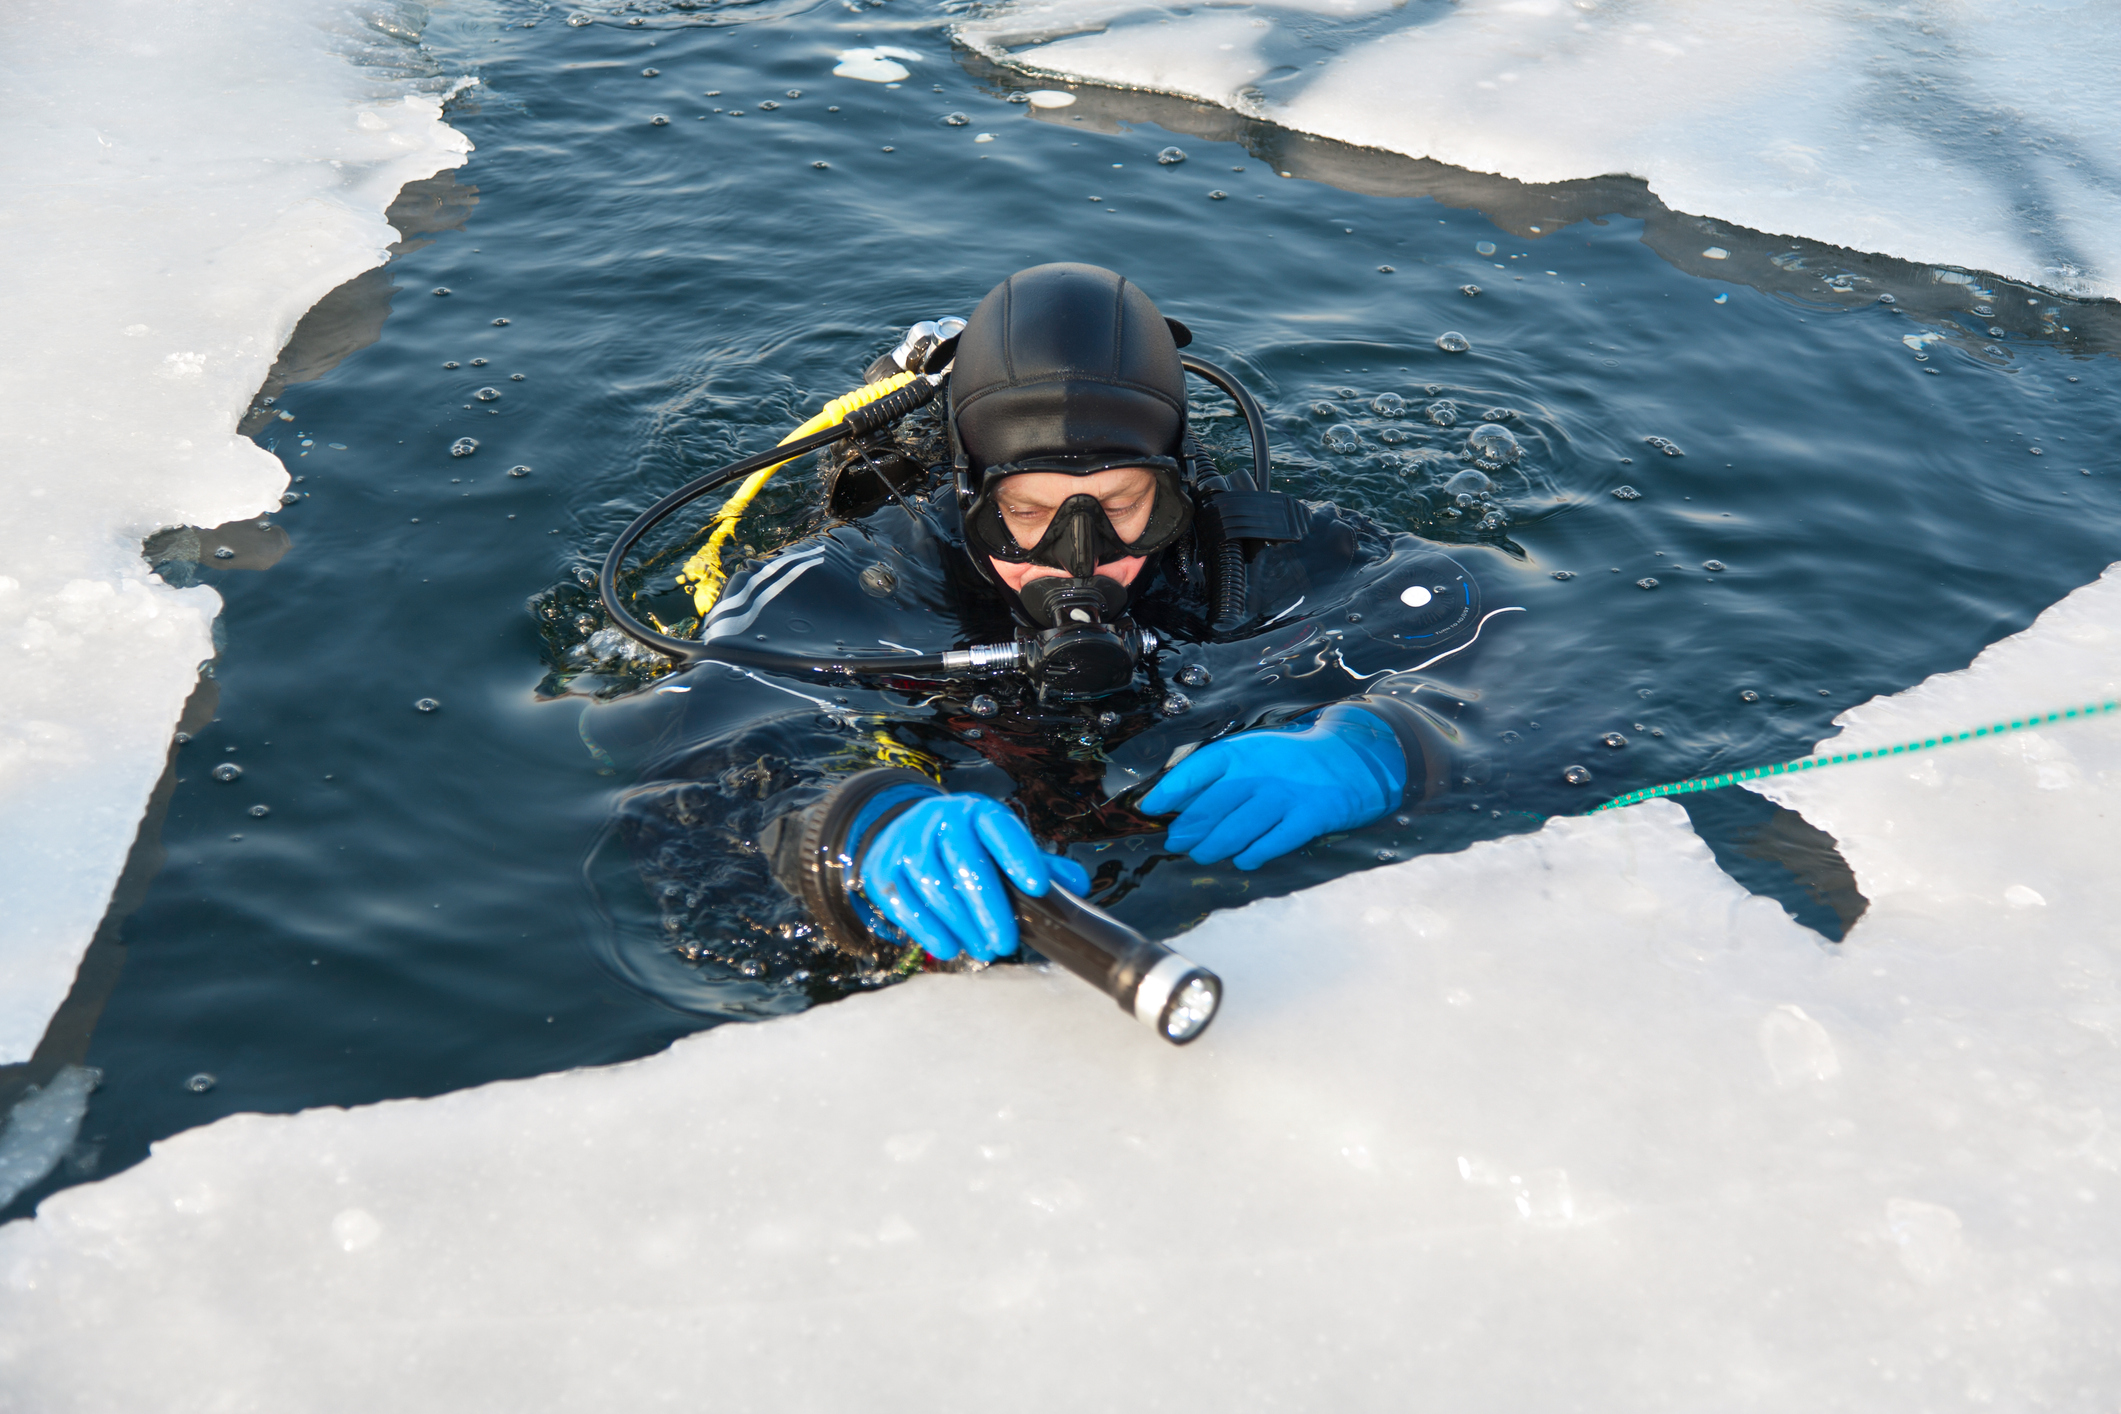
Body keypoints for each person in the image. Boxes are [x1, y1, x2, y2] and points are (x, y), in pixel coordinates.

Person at [613, 263, 1515, 980]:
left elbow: (1518, 640)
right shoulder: (858, 581)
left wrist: (1390, 742)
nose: (1077, 556)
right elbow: (693, 758)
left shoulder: (1245, 554)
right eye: (1030, 512)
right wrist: (845, 826)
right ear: (966, 499)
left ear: (1179, 482)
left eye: (1124, 505)